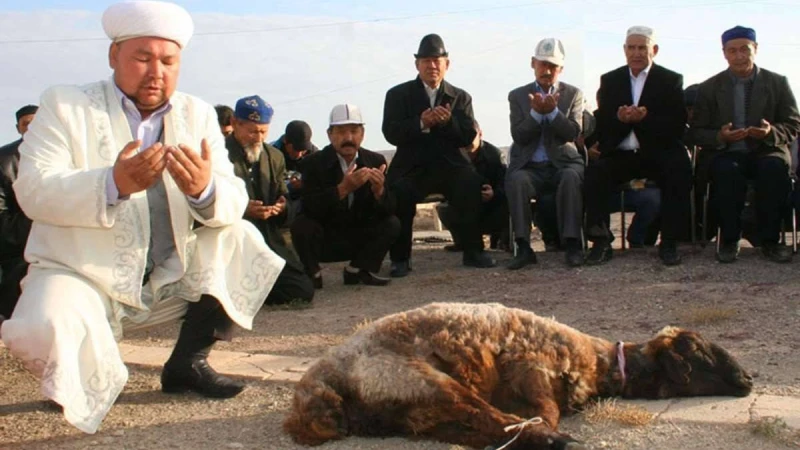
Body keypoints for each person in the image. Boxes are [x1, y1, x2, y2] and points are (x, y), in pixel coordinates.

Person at [0, 1, 285, 434]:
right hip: (82, 272)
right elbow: (33, 190)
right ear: (114, 55)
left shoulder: (196, 113)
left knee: (241, 238)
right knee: (41, 323)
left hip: (168, 273)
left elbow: (233, 193)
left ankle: (187, 363)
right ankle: (83, 380)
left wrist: (204, 190)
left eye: (168, 61)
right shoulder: (65, 106)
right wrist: (112, 182)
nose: (156, 72)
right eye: (143, 58)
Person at [383, 33, 495, 277]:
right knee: (398, 191)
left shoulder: (460, 97)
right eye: (426, 61)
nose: (432, 66)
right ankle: (400, 258)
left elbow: (467, 136)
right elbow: (390, 132)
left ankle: (473, 251)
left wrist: (447, 122)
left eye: (437, 60)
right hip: (413, 167)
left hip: (450, 166)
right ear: (417, 64)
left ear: (447, 64)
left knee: (470, 183)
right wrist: (420, 123)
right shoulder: (398, 95)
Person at [690, 26, 800, 263]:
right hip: (727, 152)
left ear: (755, 49)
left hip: (767, 150)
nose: (739, 56)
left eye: (744, 50)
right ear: (724, 53)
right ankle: (730, 240)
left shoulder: (777, 83)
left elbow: (793, 124)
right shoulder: (710, 88)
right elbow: (697, 131)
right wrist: (721, 137)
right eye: (732, 51)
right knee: (726, 172)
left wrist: (770, 133)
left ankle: (770, 241)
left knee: (773, 169)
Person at [584, 26, 691, 266]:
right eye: (631, 48)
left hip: (657, 150)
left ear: (654, 50)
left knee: (679, 169)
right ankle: (601, 241)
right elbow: (603, 123)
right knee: (595, 173)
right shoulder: (610, 80)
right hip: (622, 152)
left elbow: (677, 124)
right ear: (624, 50)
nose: (636, 53)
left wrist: (645, 119)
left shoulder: (670, 80)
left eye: (642, 48)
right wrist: (619, 119)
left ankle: (669, 242)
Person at [291, 104, 400, 288]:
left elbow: (389, 208)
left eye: (354, 131)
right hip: (326, 237)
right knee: (301, 225)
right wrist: (342, 189)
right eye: (341, 132)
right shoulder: (312, 163)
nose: (348, 138)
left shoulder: (375, 161)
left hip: (357, 235)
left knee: (392, 223)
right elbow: (309, 206)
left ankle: (357, 270)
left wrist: (379, 192)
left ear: (362, 134)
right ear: (329, 134)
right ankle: (313, 273)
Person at [225, 95, 314, 305]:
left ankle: (248, 291)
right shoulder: (218, 154)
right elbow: (206, 203)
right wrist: (242, 209)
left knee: (301, 290)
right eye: (252, 131)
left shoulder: (274, 157)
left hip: (266, 239)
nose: (258, 138)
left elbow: (284, 198)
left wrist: (281, 208)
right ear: (235, 124)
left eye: (263, 132)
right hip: (230, 241)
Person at [505, 38, 585, 268]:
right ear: (533, 63)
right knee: (517, 180)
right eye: (543, 64)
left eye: (553, 66)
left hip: (563, 163)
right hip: (530, 166)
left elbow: (573, 132)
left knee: (571, 177)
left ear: (561, 68)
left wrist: (552, 113)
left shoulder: (573, 94)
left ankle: (572, 244)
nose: (547, 71)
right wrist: (536, 114)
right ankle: (523, 247)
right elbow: (519, 136)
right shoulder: (518, 96)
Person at [435, 121, 509, 252]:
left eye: (471, 135)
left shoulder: (495, 156)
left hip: (491, 205)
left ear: (480, 134)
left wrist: (493, 194)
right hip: (464, 203)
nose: (467, 140)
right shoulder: (453, 156)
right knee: (444, 208)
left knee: (508, 205)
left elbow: (505, 184)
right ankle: (462, 242)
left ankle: (502, 241)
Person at [0, 104, 38, 318]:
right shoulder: (3, 159)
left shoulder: (69, 154)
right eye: (26, 124)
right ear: (18, 128)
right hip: (19, 248)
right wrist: (39, 221)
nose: (32, 128)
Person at [271, 120, 318, 224]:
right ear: (285, 141)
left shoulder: (316, 156)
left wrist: (306, 184)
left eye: (303, 150)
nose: (299, 154)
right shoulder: (271, 155)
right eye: (296, 149)